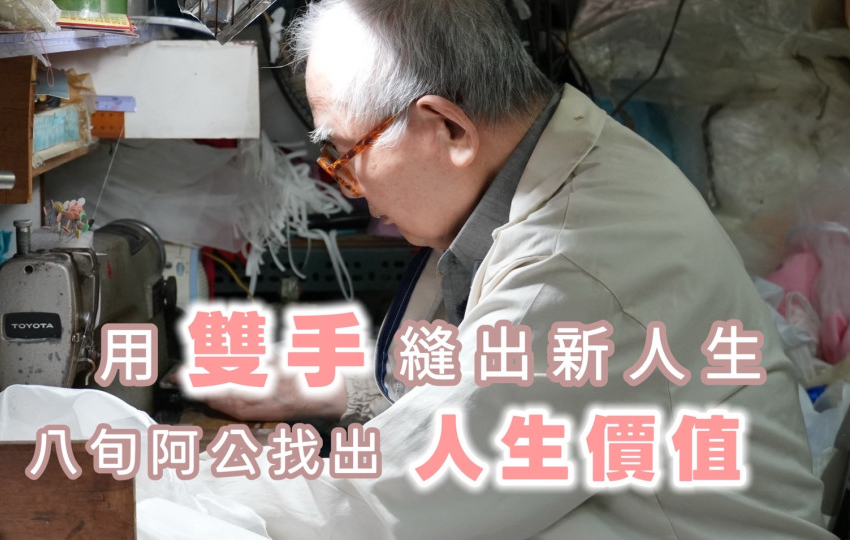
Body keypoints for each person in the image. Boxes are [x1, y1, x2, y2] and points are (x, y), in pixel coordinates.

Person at [197, 0, 837, 538]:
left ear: (448, 128)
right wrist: (329, 388)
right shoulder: (549, 169)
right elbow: (476, 370)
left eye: (344, 154)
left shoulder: (576, 264)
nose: (350, 187)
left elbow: (373, 510)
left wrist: (173, 489)